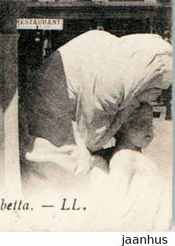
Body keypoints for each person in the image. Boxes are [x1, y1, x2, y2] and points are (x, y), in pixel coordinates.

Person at [20, 30, 172, 191]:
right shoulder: (114, 84)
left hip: (49, 112)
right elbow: (92, 139)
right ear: (143, 79)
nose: (158, 95)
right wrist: (126, 111)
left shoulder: (115, 59)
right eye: (157, 87)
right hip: (49, 136)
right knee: (93, 178)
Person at [90, 104, 171, 228]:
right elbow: (116, 200)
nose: (150, 130)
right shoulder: (124, 157)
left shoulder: (129, 156)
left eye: (151, 124)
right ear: (122, 126)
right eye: (142, 123)